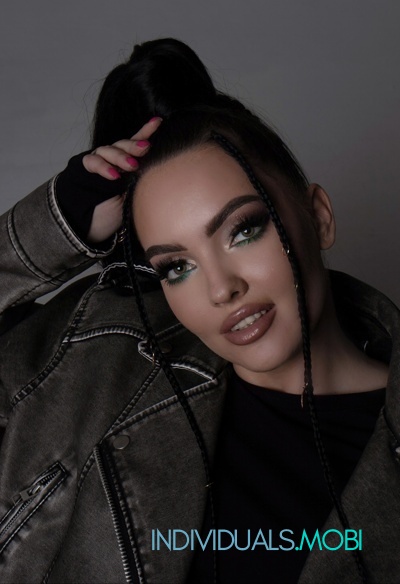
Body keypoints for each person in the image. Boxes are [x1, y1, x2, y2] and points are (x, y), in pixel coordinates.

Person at [0, 38, 398, 584]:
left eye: (244, 230)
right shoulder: (97, 362)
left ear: (318, 216)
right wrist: (54, 226)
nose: (221, 289)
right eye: (176, 267)